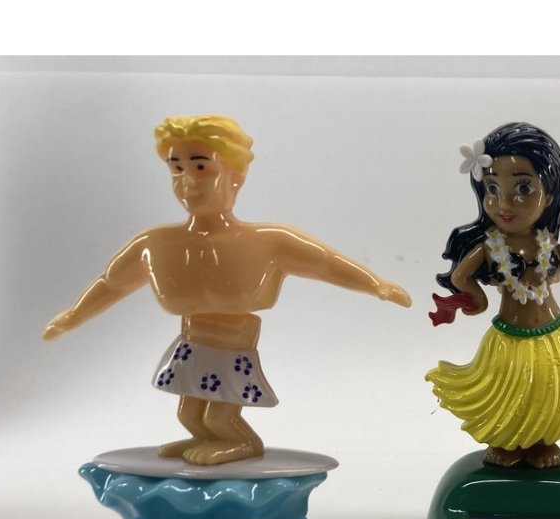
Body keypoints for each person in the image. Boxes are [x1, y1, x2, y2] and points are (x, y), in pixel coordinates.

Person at [43, 115, 411, 465]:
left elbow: (327, 264)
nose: (188, 181)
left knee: (219, 416)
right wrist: (72, 316)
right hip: (192, 346)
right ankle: (204, 439)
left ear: (236, 176)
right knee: (188, 414)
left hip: (232, 349)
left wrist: (376, 285)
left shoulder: (271, 241)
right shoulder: (153, 245)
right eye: (176, 168)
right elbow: (111, 284)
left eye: (201, 166)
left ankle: (242, 442)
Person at [427, 122, 560, 469]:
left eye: (523, 188)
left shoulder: (547, 243)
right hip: (509, 335)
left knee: (552, 388)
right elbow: (459, 275)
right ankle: (508, 440)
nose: (504, 202)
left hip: (553, 331)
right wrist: (477, 300)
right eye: (492, 188)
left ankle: (543, 440)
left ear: (549, 195)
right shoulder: (490, 246)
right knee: (506, 391)